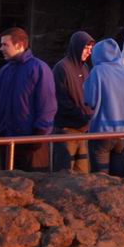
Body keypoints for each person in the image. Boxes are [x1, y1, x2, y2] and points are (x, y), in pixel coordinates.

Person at [0, 27, 56, 172]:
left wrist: (39, 135)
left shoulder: (39, 69)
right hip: (8, 141)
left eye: (5, 44)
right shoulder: (4, 72)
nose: (0, 48)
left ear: (19, 45)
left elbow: (47, 105)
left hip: (31, 143)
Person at [83, 38, 124, 176]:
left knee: (101, 180)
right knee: (117, 180)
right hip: (123, 135)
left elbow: (90, 100)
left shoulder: (97, 71)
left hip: (101, 134)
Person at [51, 31, 94, 172]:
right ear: (77, 46)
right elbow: (60, 99)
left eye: (90, 48)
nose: (89, 52)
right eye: (86, 47)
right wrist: (82, 116)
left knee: (82, 173)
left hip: (83, 130)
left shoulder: (86, 68)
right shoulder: (61, 68)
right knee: (64, 172)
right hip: (66, 130)